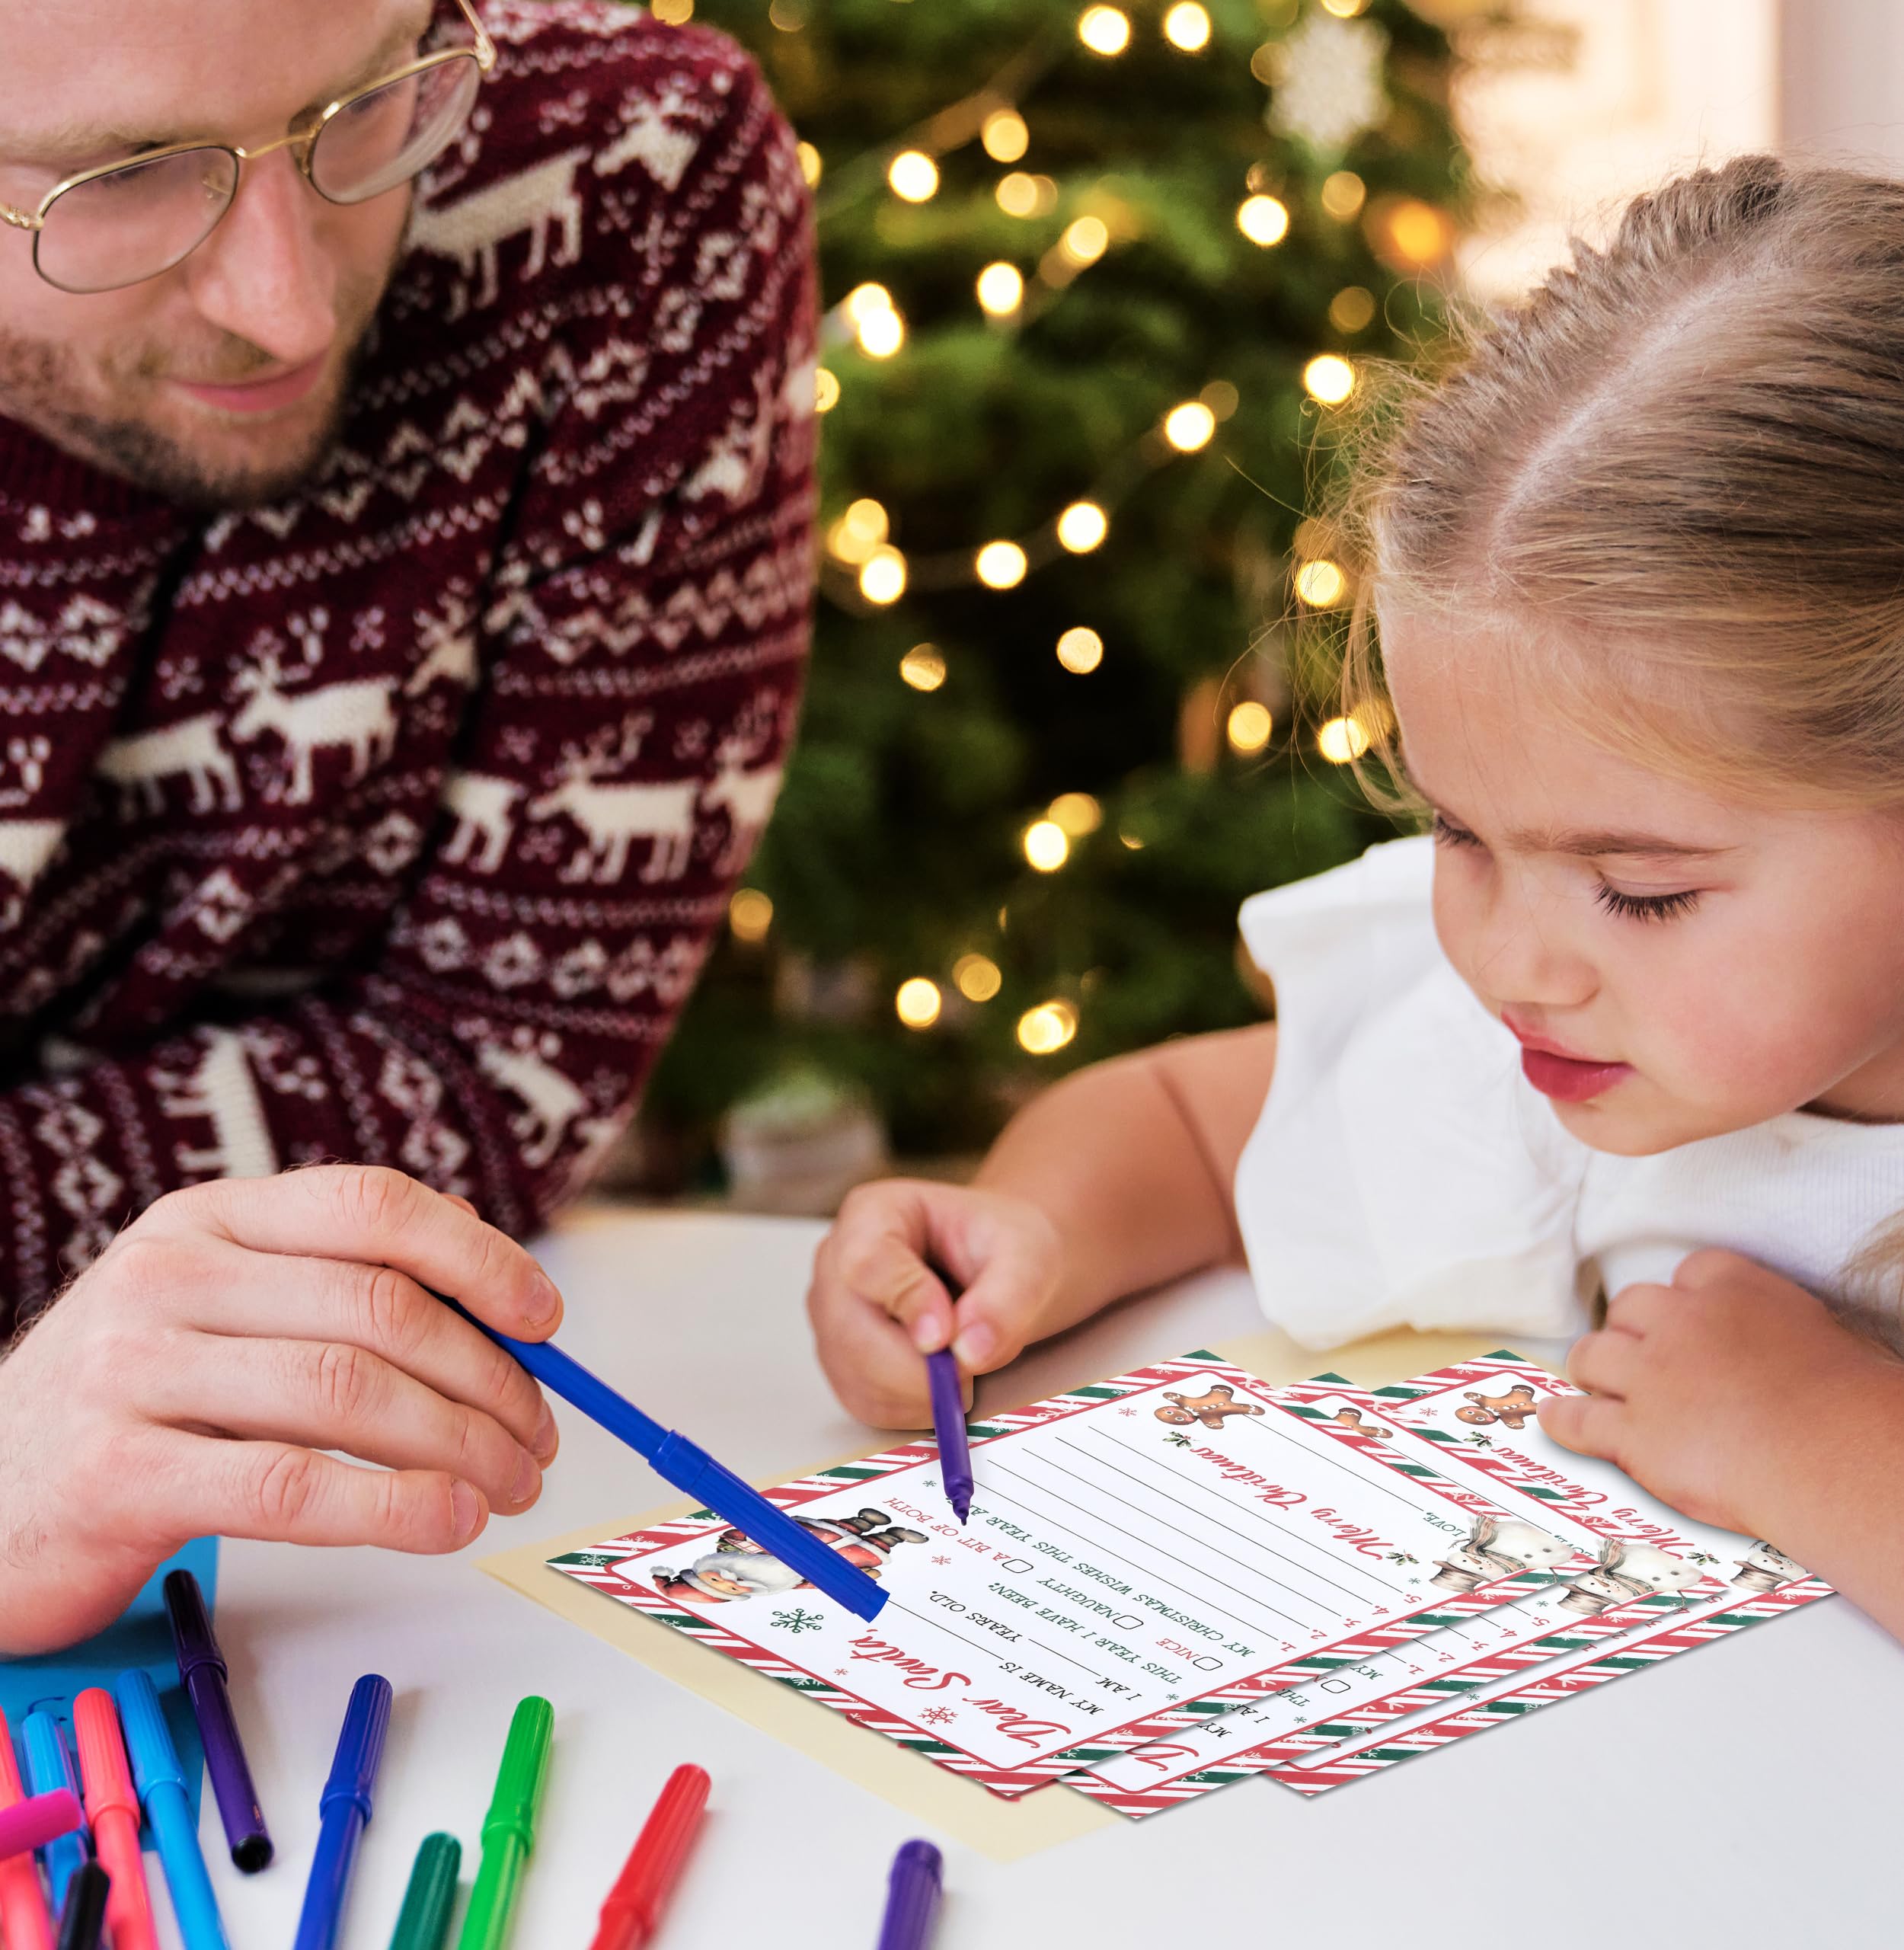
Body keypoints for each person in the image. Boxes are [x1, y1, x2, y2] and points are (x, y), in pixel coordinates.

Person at [807, 155, 1904, 1642]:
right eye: (1457, 829)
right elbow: (1193, 1127)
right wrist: (1019, 1238)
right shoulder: (1580, 1040)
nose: (1509, 960)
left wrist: (1818, 1436)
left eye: (1637, 891)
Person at [0, 0, 815, 1654]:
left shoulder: (621, 179)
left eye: (366, 100)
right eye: (128, 175)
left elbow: (500, 1056)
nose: (288, 304)